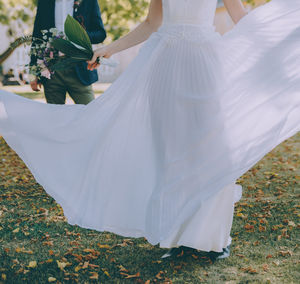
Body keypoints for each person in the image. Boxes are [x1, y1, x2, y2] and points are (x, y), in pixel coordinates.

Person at [0, 0, 300, 260]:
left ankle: (212, 239)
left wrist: (281, 36)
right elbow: (150, 23)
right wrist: (110, 48)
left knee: (210, 146)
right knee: (168, 150)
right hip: (164, 65)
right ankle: (177, 236)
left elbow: (242, 18)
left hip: (204, 63)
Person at [29, 0, 106, 104]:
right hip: (51, 70)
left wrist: (79, 36)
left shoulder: (88, 1)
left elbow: (100, 34)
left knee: (90, 113)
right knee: (55, 116)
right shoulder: (44, 2)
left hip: (80, 67)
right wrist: (33, 72)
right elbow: (37, 36)